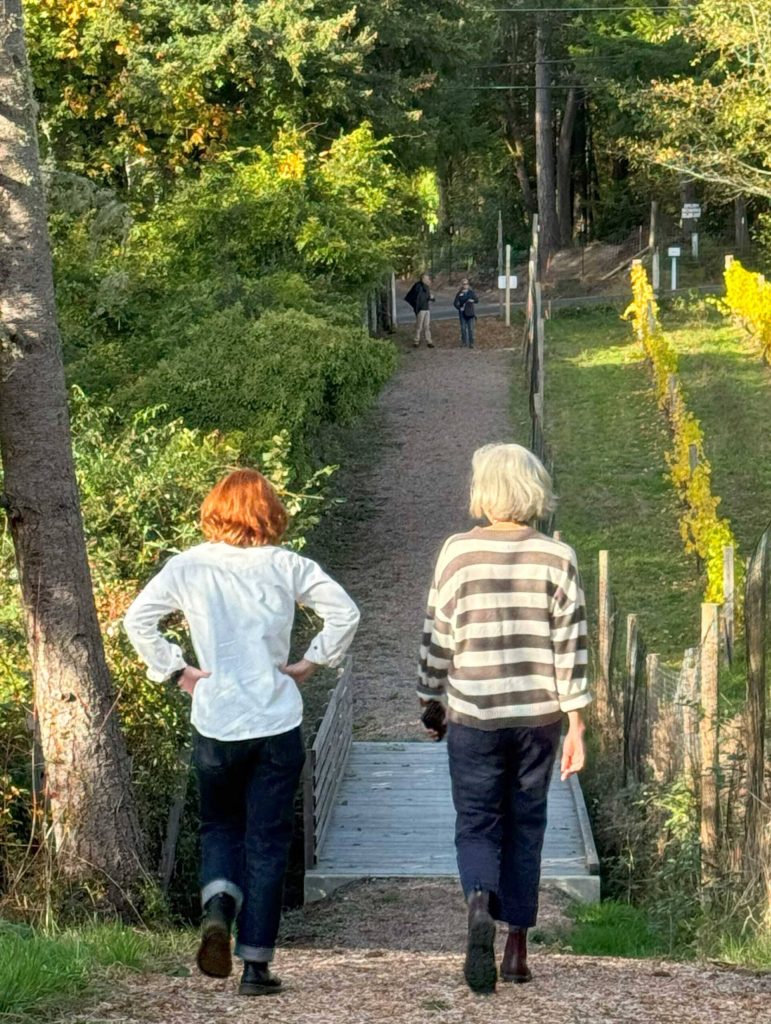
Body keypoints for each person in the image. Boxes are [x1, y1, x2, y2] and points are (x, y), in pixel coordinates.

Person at [124, 469, 359, 997]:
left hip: (217, 720)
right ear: (269, 514)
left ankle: (217, 908)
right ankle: (255, 966)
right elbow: (345, 612)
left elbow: (138, 620)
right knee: (268, 842)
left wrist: (176, 670)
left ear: (215, 512)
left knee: (219, 828)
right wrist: (312, 662)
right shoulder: (286, 565)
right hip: (276, 722)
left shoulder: (187, 566)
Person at [417, 443, 589, 995]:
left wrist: (430, 699)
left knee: (477, 822)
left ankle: (477, 907)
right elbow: (572, 646)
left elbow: (437, 636)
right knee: (526, 823)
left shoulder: (456, 553)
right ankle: (516, 946)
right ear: (533, 490)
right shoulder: (557, 556)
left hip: (474, 714)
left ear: (483, 491)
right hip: (538, 718)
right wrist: (577, 724)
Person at [404, 272, 435, 348]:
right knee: (419, 326)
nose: (428, 280)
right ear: (423, 278)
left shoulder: (426, 287)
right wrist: (416, 307)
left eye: (428, 278)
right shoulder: (418, 286)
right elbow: (414, 297)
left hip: (427, 309)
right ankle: (416, 341)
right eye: (427, 278)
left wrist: (432, 298)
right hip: (420, 309)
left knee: (427, 326)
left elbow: (427, 297)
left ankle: (429, 341)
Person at [453, 278, 478, 348]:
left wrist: (472, 300)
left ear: (468, 285)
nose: (465, 285)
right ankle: (464, 342)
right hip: (462, 313)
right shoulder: (459, 293)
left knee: (471, 328)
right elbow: (455, 303)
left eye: (466, 284)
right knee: (463, 328)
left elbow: (477, 300)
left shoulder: (471, 292)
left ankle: (471, 343)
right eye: (464, 284)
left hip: (470, 312)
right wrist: (459, 308)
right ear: (462, 285)